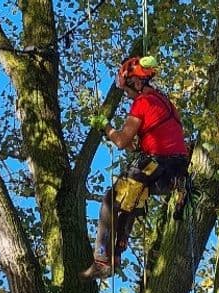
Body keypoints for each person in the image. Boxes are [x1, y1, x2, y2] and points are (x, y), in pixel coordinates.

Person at [81, 56, 189, 280]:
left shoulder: (143, 103)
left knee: (110, 201)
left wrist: (106, 126)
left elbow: (121, 141)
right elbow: (135, 144)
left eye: (128, 88)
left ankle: (102, 260)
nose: (127, 94)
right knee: (129, 204)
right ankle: (116, 256)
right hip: (174, 171)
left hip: (155, 165)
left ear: (137, 83)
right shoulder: (163, 101)